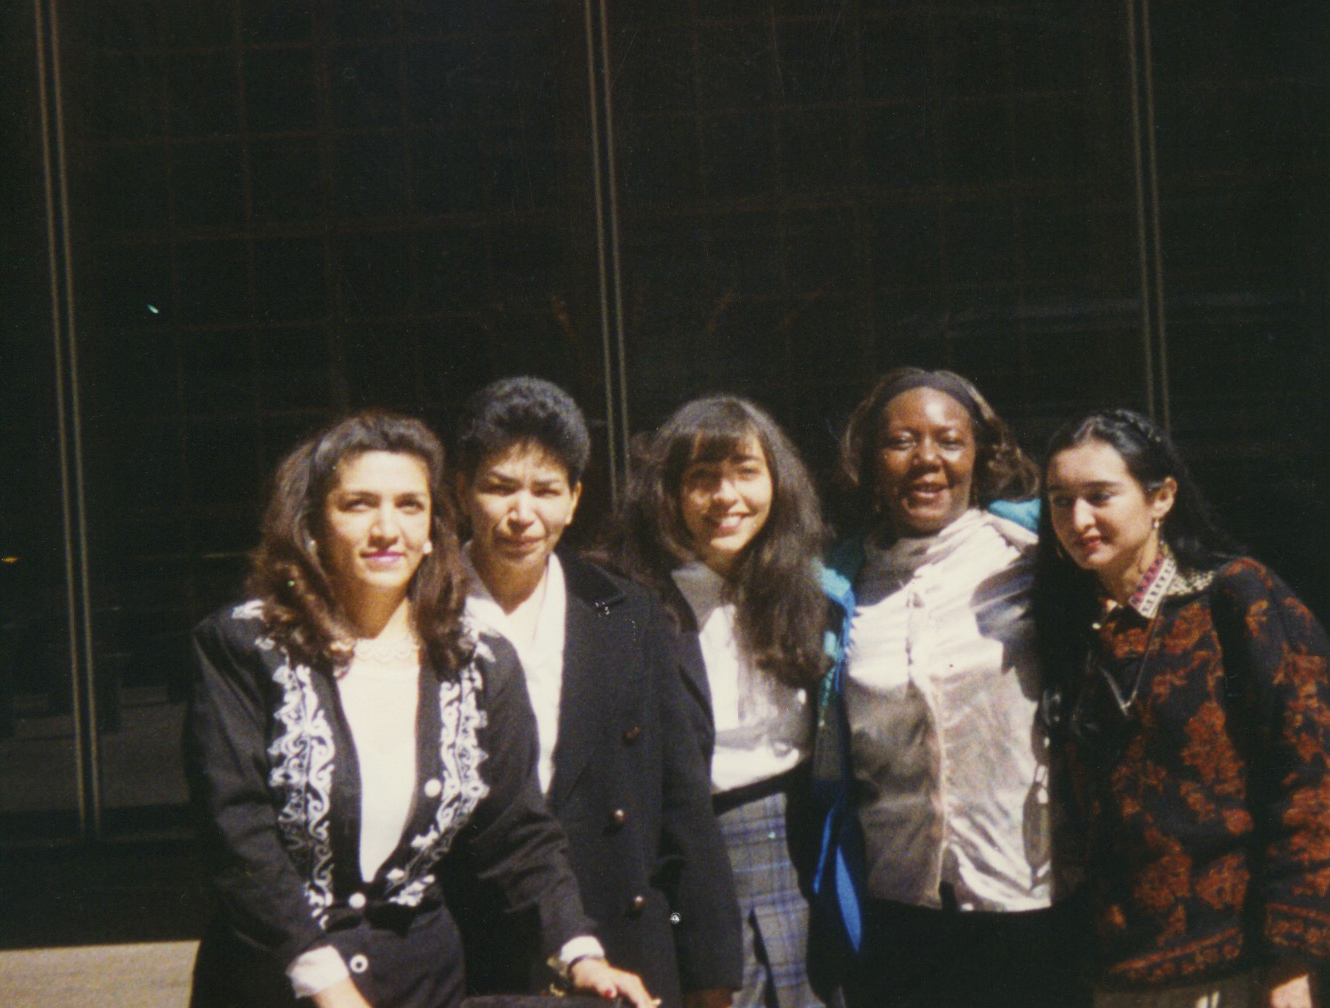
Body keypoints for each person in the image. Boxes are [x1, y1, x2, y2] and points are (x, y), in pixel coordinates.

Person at [183, 410, 652, 1008]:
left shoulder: (479, 661)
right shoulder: (243, 648)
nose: (387, 528)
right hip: (275, 983)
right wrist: (324, 985)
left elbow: (519, 835)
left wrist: (578, 952)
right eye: (357, 505)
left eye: (409, 505)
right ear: (311, 525)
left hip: (422, 983)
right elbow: (239, 838)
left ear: (432, 526)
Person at [452, 377, 742, 1008]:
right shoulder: (420, 612)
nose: (522, 514)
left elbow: (682, 803)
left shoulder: (625, 610)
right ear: (460, 489)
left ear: (575, 499)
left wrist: (711, 975)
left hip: (620, 948)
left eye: (546, 490)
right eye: (499, 487)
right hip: (471, 949)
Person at [1037, 408, 1330, 1008]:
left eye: (1100, 496)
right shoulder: (1073, 631)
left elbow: (1310, 786)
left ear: (1162, 497)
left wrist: (1290, 967)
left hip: (1235, 967)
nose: (1077, 519)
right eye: (1059, 499)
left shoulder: (1237, 599)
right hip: (1115, 974)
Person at [812, 367, 1086, 1007]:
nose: (926, 460)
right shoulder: (836, 589)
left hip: (1030, 897)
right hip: (899, 908)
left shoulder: (1033, 557)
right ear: (869, 461)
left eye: (949, 441)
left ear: (981, 455)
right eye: (901, 441)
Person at [604, 395, 835, 1008]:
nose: (726, 497)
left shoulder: (812, 589)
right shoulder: (628, 603)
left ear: (777, 481)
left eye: (745, 472)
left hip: (801, 847)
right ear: (669, 495)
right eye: (700, 479)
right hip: (690, 853)